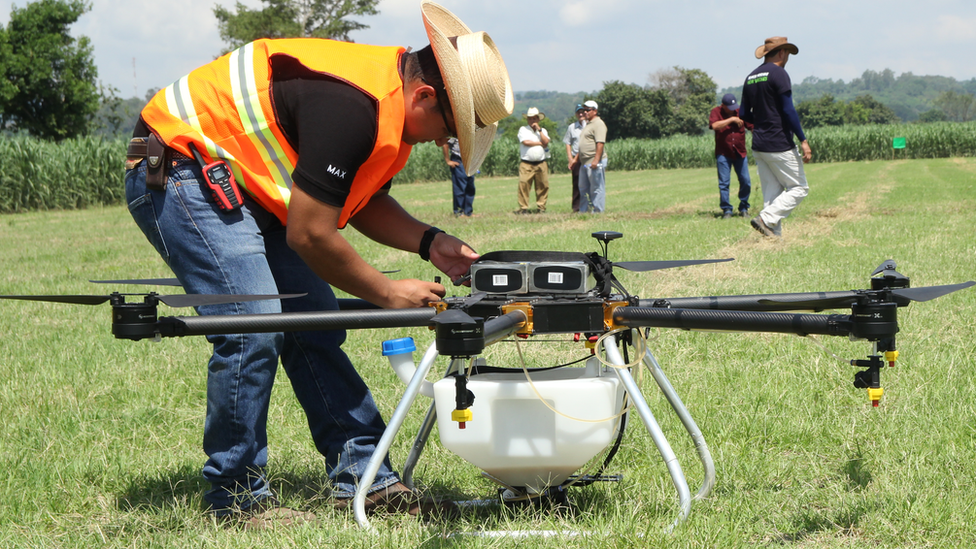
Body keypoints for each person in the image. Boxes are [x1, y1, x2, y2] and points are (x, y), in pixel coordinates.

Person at [122, 0, 513, 528]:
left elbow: (359, 200)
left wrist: (430, 242)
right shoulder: (354, 106)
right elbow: (310, 233)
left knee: (315, 327)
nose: (448, 141)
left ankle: (367, 481)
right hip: (179, 167)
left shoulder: (387, 106)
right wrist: (388, 292)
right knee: (252, 326)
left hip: (247, 186)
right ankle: (236, 499)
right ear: (424, 95)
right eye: (452, 127)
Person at [739, 36, 812, 237]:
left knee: (772, 194)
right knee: (799, 188)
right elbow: (788, 110)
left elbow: (743, 114)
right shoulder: (779, 73)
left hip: (759, 144)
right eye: (787, 53)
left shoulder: (751, 76)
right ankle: (764, 220)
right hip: (779, 142)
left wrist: (760, 123)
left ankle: (773, 239)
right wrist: (803, 140)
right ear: (782, 52)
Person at [708, 93, 753, 219]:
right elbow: (714, 126)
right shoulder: (716, 112)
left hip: (740, 152)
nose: (733, 109)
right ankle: (727, 210)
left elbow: (752, 127)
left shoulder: (741, 112)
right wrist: (732, 120)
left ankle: (744, 208)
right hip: (723, 153)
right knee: (724, 183)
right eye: (730, 107)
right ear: (723, 106)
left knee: (746, 181)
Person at [515, 107, 550, 214]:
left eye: (534, 119)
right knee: (524, 185)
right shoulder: (523, 129)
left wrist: (539, 130)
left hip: (541, 162)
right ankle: (523, 208)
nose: (532, 121)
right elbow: (526, 142)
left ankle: (541, 207)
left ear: (538, 119)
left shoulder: (543, 131)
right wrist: (540, 143)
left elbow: (546, 141)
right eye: (530, 119)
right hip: (527, 163)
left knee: (543, 185)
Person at [577, 100, 608, 213]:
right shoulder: (588, 124)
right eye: (584, 110)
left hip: (594, 161)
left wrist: (596, 160)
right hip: (584, 161)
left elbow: (600, 143)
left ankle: (598, 211)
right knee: (583, 188)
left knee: (596, 188)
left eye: (588, 110)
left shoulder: (598, 124)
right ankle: (584, 210)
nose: (585, 112)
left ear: (595, 111)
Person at [442, 137, 475, 216]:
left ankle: (468, 212)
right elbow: (445, 144)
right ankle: (459, 212)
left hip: (470, 161)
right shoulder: (456, 132)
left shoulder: (472, 133)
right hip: (459, 161)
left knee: (470, 187)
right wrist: (448, 160)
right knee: (460, 187)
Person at [562, 104, 586, 212]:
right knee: (576, 183)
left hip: (586, 157)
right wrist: (570, 158)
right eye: (578, 112)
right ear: (576, 114)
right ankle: (576, 207)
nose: (580, 114)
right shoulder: (572, 127)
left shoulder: (589, 126)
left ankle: (587, 206)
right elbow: (568, 142)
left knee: (588, 183)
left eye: (582, 112)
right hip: (576, 158)